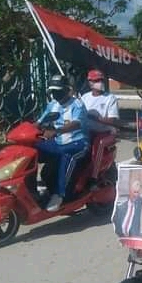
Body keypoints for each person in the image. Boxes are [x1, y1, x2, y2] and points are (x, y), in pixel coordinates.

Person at [36, 74, 89, 211]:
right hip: (57, 143)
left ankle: (59, 195)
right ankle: (31, 188)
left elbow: (77, 124)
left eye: (58, 91)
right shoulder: (52, 105)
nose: (55, 94)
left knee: (66, 157)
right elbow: (39, 122)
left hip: (77, 143)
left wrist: (57, 131)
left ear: (66, 90)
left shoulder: (77, 105)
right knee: (33, 150)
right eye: (53, 91)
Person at [79, 69, 120, 184]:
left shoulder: (110, 98)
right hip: (86, 131)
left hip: (104, 132)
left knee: (99, 145)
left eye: (101, 80)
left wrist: (96, 118)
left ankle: (94, 177)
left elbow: (112, 120)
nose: (100, 83)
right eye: (97, 80)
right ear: (90, 82)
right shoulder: (84, 98)